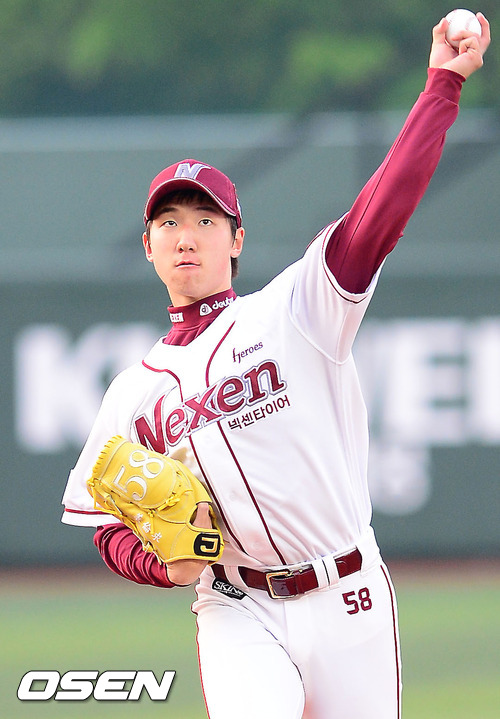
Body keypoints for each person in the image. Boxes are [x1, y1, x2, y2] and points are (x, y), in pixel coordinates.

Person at [61, 15, 490, 719]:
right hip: (238, 605)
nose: (187, 236)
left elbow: (383, 207)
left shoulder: (296, 309)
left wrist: (442, 85)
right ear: (148, 246)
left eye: (206, 220)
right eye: (169, 222)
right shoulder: (132, 392)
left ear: (237, 239)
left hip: (348, 594)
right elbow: (103, 522)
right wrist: (161, 564)